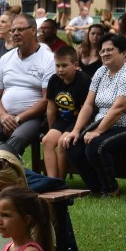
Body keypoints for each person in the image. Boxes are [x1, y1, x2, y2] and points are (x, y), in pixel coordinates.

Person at [64, 34, 126, 197]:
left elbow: (119, 108)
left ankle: (110, 189)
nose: (105, 53)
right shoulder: (101, 72)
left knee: (96, 146)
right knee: (73, 144)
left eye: (110, 50)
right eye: (102, 50)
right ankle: (96, 188)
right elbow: (88, 104)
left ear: (123, 53)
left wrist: (98, 131)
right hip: (107, 124)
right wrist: (76, 131)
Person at [0, 15, 55, 154]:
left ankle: (6, 170)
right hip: (3, 116)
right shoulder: (6, 58)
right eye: (13, 30)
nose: (15, 34)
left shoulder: (48, 59)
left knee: (17, 139)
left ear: (33, 31)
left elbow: (46, 100)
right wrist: (3, 116)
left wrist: (18, 119)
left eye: (20, 30)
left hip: (32, 118)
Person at [42, 47, 91, 178]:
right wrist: (51, 129)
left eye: (64, 66)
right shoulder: (54, 80)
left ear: (75, 65)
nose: (60, 69)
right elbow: (51, 108)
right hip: (62, 120)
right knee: (47, 141)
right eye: (57, 66)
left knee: (63, 142)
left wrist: (76, 129)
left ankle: (60, 181)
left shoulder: (84, 81)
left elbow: (84, 110)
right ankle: (51, 180)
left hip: (78, 121)